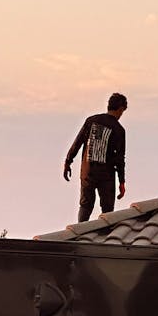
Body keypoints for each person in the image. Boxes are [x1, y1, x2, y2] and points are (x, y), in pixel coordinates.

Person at [64, 93, 127, 223]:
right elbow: (120, 159)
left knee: (85, 205)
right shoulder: (119, 130)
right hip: (106, 175)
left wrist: (68, 161)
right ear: (120, 109)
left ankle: (79, 233)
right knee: (108, 211)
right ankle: (106, 238)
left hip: (88, 171)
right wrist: (122, 181)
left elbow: (78, 142)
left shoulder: (91, 121)